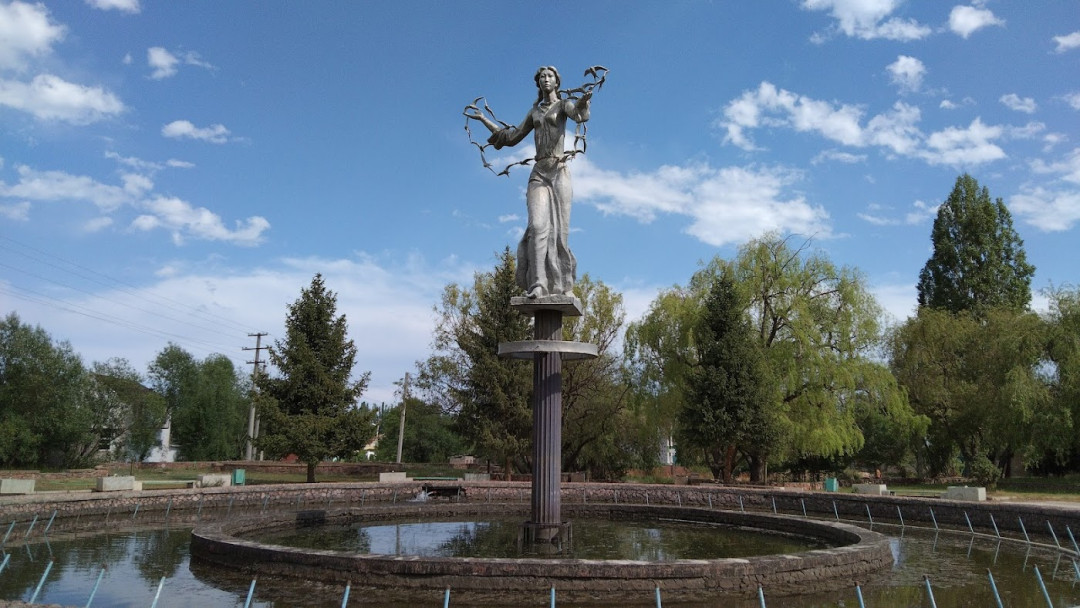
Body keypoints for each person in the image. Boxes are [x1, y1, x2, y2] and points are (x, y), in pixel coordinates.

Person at [466, 66, 591, 299]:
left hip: (559, 172)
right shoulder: (534, 112)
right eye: (542, 76)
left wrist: (584, 102)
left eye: (550, 76)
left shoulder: (563, 105)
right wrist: (483, 119)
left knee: (560, 233)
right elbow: (511, 137)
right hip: (539, 173)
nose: (546, 79)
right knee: (537, 227)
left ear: (557, 82)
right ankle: (538, 284)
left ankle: (564, 285)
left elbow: (579, 115)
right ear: (538, 82)